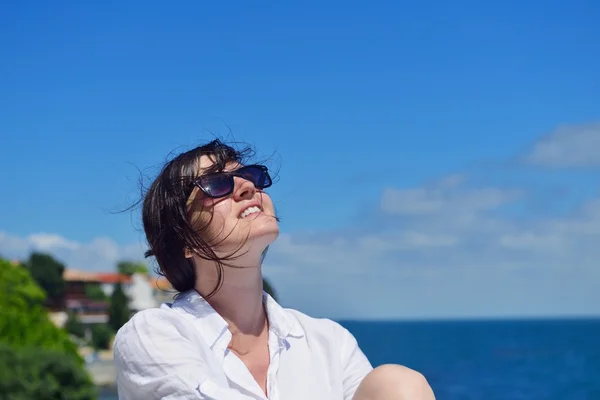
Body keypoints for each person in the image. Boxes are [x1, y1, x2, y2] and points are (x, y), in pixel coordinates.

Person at [113, 140, 436, 400]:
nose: (247, 187)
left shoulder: (329, 341)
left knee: (398, 384)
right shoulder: (155, 333)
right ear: (184, 240)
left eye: (252, 176)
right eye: (217, 184)